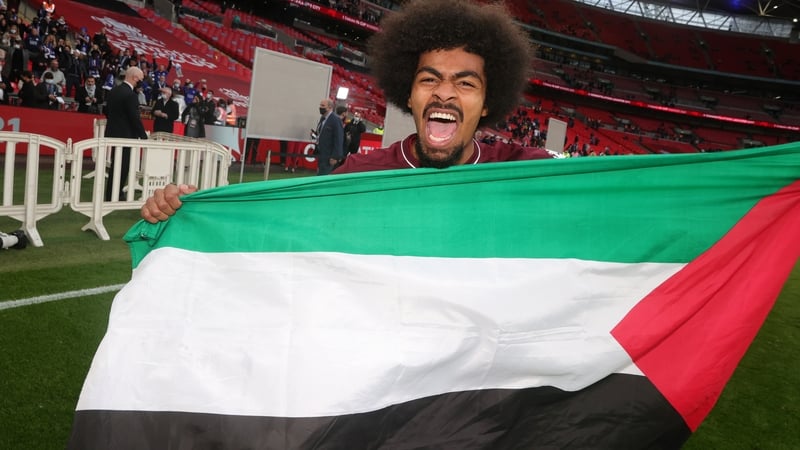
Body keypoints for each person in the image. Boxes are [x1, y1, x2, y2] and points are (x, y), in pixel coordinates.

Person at [141, 0, 552, 222]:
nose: (444, 94)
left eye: (465, 83)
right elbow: (272, 219)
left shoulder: (532, 174)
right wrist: (189, 210)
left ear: (488, 103)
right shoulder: (358, 175)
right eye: (429, 79)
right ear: (407, 94)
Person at [104, 66, 148, 201]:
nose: (141, 81)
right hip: (126, 136)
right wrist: (144, 136)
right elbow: (134, 118)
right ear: (135, 78)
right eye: (141, 79)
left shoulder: (113, 91)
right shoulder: (131, 95)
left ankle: (111, 193)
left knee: (115, 165)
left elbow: (106, 111)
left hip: (113, 133)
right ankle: (116, 194)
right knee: (123, 166)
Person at [313, 98, 344, 175]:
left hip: (329, 154)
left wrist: (335, 156)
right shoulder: (322, 118)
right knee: (320, 173)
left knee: (323, 175)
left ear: (330, 107)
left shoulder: (335, 120)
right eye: (320, 105)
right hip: (321, 152)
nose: (320, 107)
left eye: (323, 105)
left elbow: (339, 139)